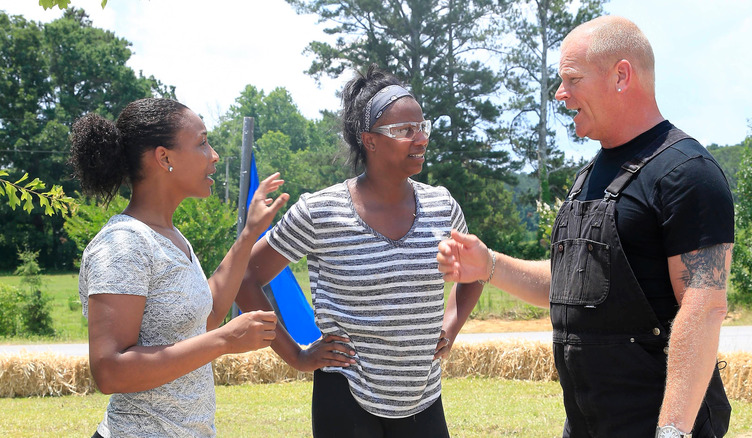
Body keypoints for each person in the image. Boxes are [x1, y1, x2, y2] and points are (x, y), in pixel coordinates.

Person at [437, 16, 733, 438]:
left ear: (621, 75)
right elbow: (569, 283)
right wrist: (489, 264)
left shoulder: (687, 174)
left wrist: (672, 431)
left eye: (572, 79)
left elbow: (704, 309)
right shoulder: (589, 177)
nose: (561, 94)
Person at [235, 64, 483, 438]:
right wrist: (296, 355)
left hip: (424, 397)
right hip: (345, 399)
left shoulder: (442, 206)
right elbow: (244, 276)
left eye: (422, 127)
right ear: (369, 140)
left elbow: (476, 272)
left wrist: (450, 326)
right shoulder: (321, 211)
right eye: (404, 131)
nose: (421, 139)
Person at [69, 97, 288, 437]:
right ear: (164, 157)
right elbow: (110, 371)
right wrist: (224, 342)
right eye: (202, 143)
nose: (214, 155)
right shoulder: (123, 245)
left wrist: (248, 236)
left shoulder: (171, 237)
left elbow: (207, 317)